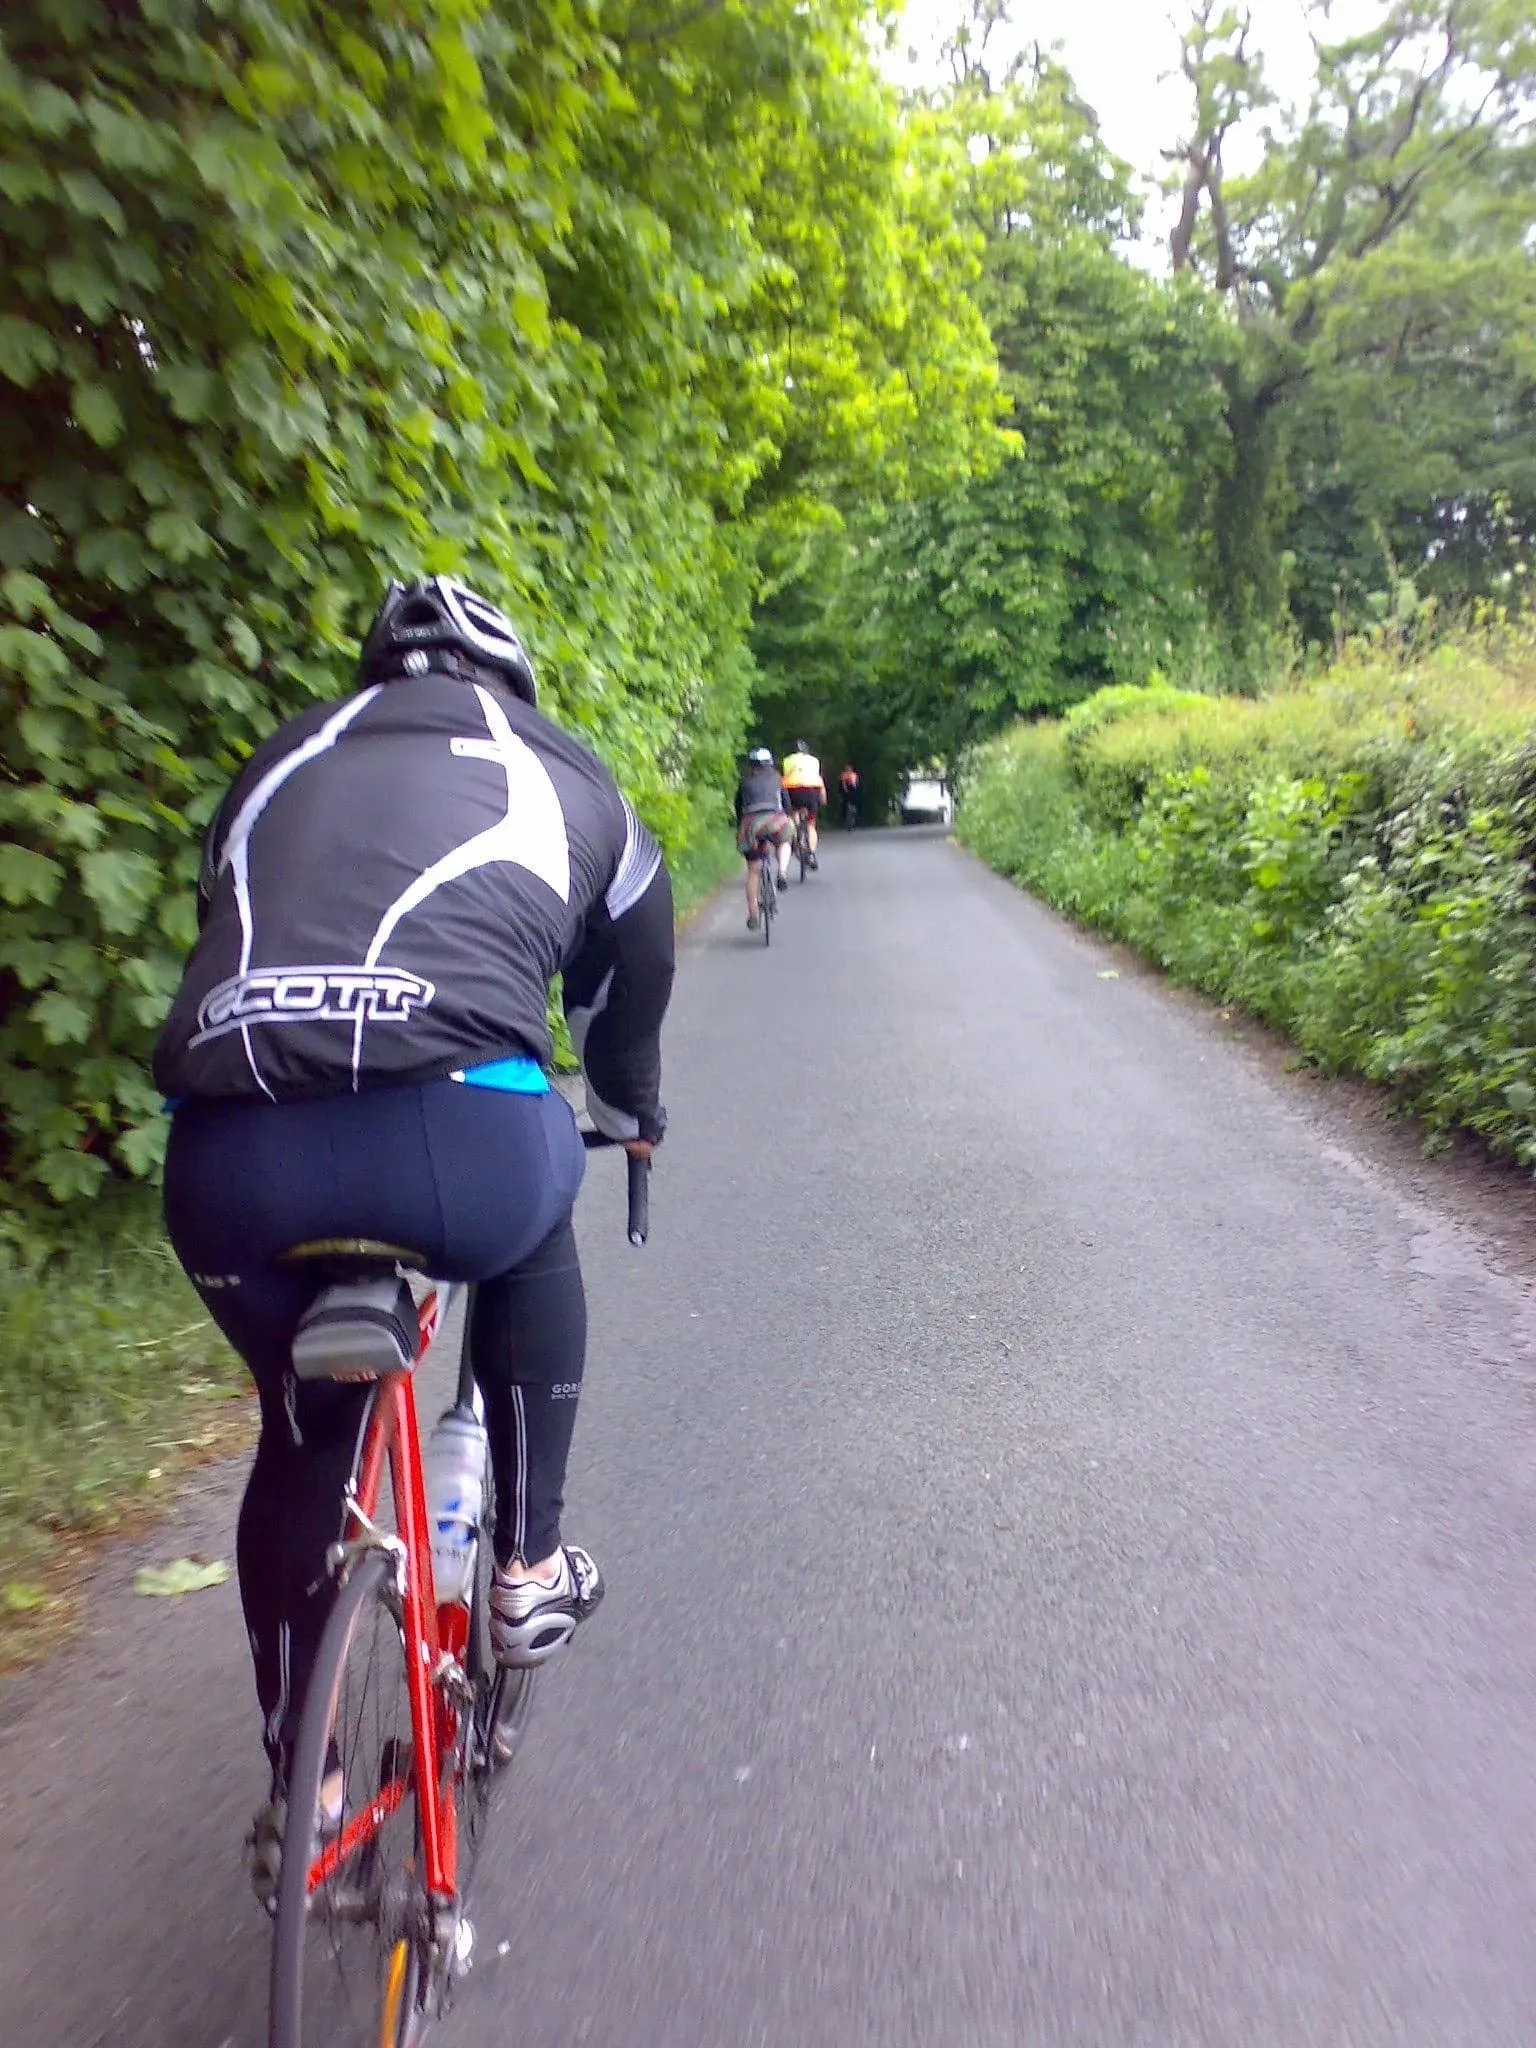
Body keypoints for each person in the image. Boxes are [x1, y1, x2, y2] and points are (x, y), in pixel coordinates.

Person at [152, 575, 674, 1894]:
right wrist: (628, 1112)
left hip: (233, 1162)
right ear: (515, 684)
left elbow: (225, 927)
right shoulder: (566, 773)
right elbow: (631, 980)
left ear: (373, 675)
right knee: (537, 1193)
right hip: (461, 1151)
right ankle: (529, 1568)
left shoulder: (278, 764)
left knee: (300, 1440)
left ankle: (309, 1788)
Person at [734, 746, 793, 929]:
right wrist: (788, 817)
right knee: (784, 840)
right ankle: (782, 871)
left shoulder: (744, 783)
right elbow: (786, 803)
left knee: (753, 870)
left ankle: (753, 915)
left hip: (751, 823)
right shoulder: (777, 779)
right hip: (775, 819)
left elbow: (738, 808)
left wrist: (741, 826)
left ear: (751, 766)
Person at [781, 739, 826, 867]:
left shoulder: (787, 760)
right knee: (811, 825)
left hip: (792, 790)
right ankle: (811, 853)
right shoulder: (814, 761)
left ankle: (795, 836)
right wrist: (823, 799)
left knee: (793, 813)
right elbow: (819, 780)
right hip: (811, 790)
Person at [838, 763, 861, 828]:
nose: (848, 770)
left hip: (853, 790)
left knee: (854, 803)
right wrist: (845, 790)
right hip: (846, 790)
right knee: (845, 804)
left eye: (849, 769)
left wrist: (856, 790)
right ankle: (845, 819)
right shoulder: (844, 775)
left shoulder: (854, 775)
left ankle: (855, 816)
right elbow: (843, 784)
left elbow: (856, 784)